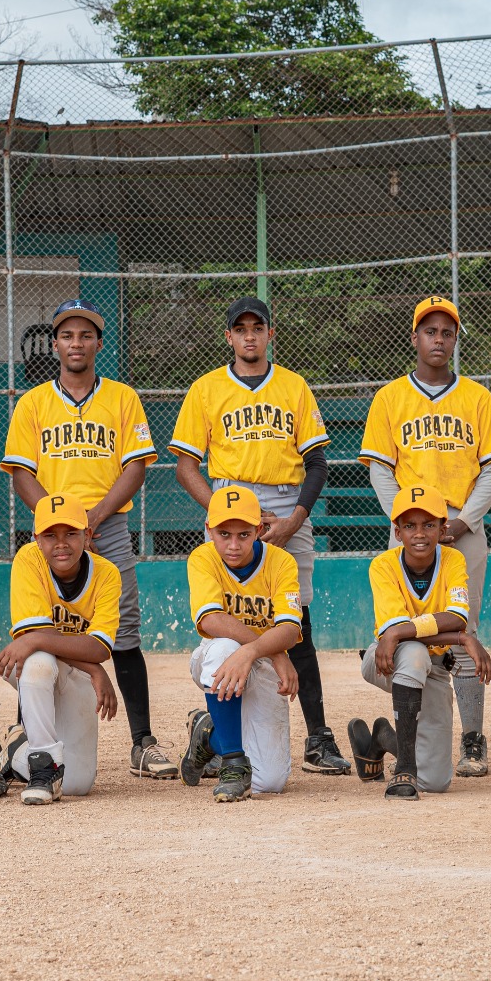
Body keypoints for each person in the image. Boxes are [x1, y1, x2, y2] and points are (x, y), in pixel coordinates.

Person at [169, 296, 350, 776]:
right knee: (227, 618)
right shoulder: (207, 389)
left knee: (298, 622)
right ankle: (223, 733)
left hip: (286, 503)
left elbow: (316, 463)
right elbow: (186, 464)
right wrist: (225, 515)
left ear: (271, 334)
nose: (249, 335)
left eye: (258, 327)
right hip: (230, 500)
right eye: (240, 328)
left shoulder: (293, 386)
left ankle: (317, 737)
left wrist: (294, 518)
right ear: (228, 337)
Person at [2, 299, 176, 780]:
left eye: (85, 335)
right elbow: (21, 472)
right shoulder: (34, 403)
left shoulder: (121, 398)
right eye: (66, 335)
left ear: (98, 342)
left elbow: (136, 464)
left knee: (123, 629)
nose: (76, 343)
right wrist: (59, 523)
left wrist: (93, 519)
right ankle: (27, 736)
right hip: (50, 532)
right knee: (38, 626)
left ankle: (142, 741)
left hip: (107, 525)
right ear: (54, 343)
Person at [360, 296, 491, 778]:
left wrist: (462, 522)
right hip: (410, 528)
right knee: (404, 634)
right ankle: (414, 729)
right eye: (430, 331)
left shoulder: (477, 397)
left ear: (455, 339)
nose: (438, 339)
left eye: (447, 332)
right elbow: (382, 470)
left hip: (462, 525)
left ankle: (472, 740)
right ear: (415, 338)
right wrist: (408, 527)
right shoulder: (390, 398)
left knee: (463, 636)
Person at [347, 484, 491, 801]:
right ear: (396, 531)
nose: (420, 533)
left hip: (435, 670)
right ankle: (405, 768)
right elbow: (394, 631)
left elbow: (457, 616)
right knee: (413, 652)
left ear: (443, 528)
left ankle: (381, 740)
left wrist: (455, 632)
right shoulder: (383, 564)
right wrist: (456, 638)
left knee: (437, 781)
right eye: (409, 526)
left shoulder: (453, 560)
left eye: (429, 525)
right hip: (387, 662)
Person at [0, 493, 122, 805]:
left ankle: (18, 748)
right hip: (35, 667)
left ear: (88, 535)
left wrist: (39, 640)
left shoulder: (107, 574)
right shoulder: (28, 559)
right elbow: (34, 638)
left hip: (75, 673)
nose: (61, 544)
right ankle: (43, 769)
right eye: (50, 535)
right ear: (37, 539)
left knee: (77, 784)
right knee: (38, 662)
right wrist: (94, 667)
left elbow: (99, 646)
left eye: (71, 533)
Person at [178, 487, 302, 803]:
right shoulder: (203, 557)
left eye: (244, 534)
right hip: (218, 660)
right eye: (224, 534)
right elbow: (210, 621)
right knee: (224, 647)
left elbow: (289, 627)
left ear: (259, 530)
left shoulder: (281, 561)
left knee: (269, 782)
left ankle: (209, 734)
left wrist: (256, 651)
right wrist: (274, 652)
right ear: (209, 529)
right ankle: (233, 761)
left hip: (259, 660)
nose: (233, 545)